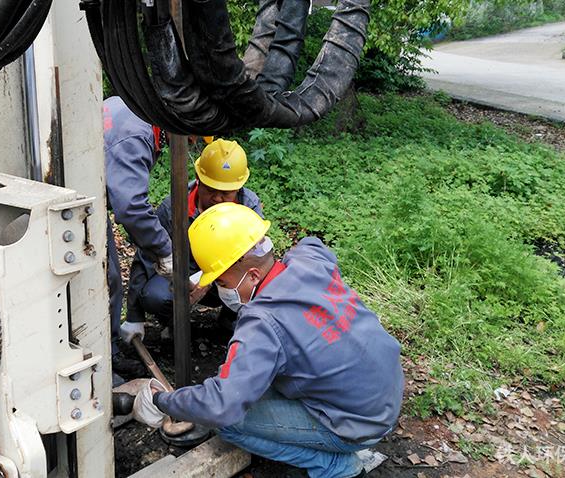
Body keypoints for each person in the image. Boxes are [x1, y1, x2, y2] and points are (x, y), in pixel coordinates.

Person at [131, 203, 404, 478]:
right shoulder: (307, 261)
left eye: (222, 283)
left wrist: (162, 400)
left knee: (229, 423)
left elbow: (223, 406)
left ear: (252, 276)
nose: (218, 289)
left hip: (358, 426)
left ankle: (335, 466)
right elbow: (312, 244)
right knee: (249, 383)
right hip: (384, 393)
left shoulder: (262, 324)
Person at [119, 139, 263, 345]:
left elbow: (256, 259)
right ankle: (173, 321)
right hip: (181, 277)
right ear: (198, 179)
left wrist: (209, 279)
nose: (218, 199)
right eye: (211, 190)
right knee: (154, 296)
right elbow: (146, 255)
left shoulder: (248, 206)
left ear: (239, 186)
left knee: (254, 281)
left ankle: (232, 320)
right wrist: (134, 316)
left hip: (225, 279)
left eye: (226, 193)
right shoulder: (173, 207)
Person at [103, 96, 173, 381]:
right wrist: (164, 249)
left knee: (109, 278)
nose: (190, 146)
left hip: (82, 195)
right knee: (102, 282)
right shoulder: (137, 133)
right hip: (76, 201)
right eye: (191, 138)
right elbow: (131, 206)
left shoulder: (130, 104)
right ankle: (102, 366)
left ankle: (107, 350)